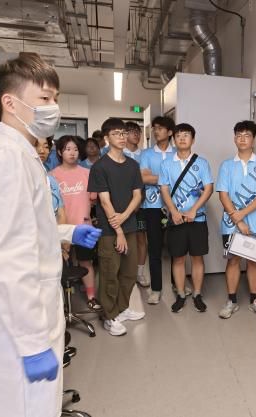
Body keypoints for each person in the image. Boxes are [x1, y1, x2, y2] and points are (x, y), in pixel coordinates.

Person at [0, 52, 101, 417]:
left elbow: (28, 227)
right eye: (44, 98)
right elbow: (10, 259)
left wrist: (70, 230)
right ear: (10, 102)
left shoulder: (20, 155)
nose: (53, 107)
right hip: (17, 331)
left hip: (28, 317)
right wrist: (32, 342)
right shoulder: (5, 159)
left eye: (55, 98)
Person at [88, 117, 145, 336]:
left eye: (123, 133)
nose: (121, 137)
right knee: (110, 273)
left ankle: (122, 308)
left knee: (129, 273)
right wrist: (118, 229)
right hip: (109, 231)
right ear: (106, 138)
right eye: (116, 134)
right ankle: (109, 316)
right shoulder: (100, 167)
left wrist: (124, 218)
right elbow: (104, 201)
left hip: (129, 225)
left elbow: (137, 195)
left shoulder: (132, 165)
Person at [216, 120, 256, 319]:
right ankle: (231, 301)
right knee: (233, 261)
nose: (242, 139)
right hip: (231, 224)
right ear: (234, 139)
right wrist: (238, 220)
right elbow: (223, 195)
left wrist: (243, 214)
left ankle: (255, 301)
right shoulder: (227, 165)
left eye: (247, 135)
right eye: (239, 135)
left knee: (254, 262)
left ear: (254, 139)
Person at [159, 123, 213, 313]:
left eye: (186, 135)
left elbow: (209, 188)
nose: (182, 138)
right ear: (174, 139)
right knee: (178, 258)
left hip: (197, 219)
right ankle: (181, 294)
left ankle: (197, 294)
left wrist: (194, 210)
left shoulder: (202, 163)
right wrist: (173, 211)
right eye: (179, 135)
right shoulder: (167, 164)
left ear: (193, 139)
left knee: (197, 258)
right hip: (176, 219)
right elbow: (164, 189)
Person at [51, 135, 101, 311]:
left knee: (86, 262)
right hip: (61, 228)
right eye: (67, 149)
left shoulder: (87, 173)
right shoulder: (52, 176)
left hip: (83, 226)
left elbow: (94, 199)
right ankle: (61, 302)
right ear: (59, 152)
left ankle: (91, 297)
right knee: (61, 264)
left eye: (75, 149)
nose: (72, 153)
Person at [140, 116, 175, 304]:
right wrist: (169, 179)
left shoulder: (177, 153)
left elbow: (182, 178)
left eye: (160, 128)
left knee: (176, 249)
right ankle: (156, 289)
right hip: (152, 206)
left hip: (176, 207)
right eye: (154, 128)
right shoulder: (146, 154)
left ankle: (178, 285)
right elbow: (143, 178)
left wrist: (156, 177)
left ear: (169, 132)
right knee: (154, 250)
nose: (156, 131)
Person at [124, 121, 149, 287]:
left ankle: (139, 273)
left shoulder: (145, 155)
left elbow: (146, 179)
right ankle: (125, 272)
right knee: (124, 238)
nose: (136, 134)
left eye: (138, 131)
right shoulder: (118, 154)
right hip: (122, 204)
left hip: (141, 203)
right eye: (131, 131)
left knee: (141, 239)